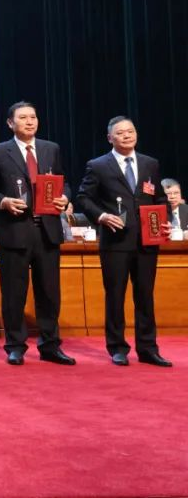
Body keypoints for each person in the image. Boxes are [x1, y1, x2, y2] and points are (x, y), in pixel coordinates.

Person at [0, 101, 75, 366]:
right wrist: (2, 202)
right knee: (14, 292)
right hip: (14, 230)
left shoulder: (50, 149)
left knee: (49, 292)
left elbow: (63, 182)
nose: (30, 121)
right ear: (10, 123)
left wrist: (65, 198)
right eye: (23, 118)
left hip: (47, 230)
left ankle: (50, 345)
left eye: (33, 117)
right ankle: (15, 346)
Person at [75, 117, 173, 367]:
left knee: (145, 296)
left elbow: (160, 199)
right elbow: (84, 198)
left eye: (130, 131)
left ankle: (148, 348)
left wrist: (165, 220)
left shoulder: (150, 164)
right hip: (115, 242)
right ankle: (117, 347)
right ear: (110, 138)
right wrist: (101, 216)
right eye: (120, 133)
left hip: (147, 241)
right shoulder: (98, 165)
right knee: (115, 295)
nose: (127, 135)